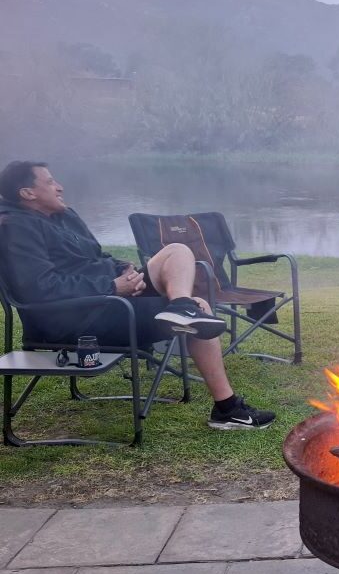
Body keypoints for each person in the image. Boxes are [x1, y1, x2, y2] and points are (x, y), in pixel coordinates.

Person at [0, 161, 276, 430]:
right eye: (50, 182)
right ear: (27, 193)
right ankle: (227, 410)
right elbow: (38, 287)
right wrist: (112, 286)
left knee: (177, 250)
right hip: (74, 318)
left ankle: (181, 307)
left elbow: (97, 256)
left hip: (106, 300)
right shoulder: (16, 227)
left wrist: (124, 269)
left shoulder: (64, 216)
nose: (59, 187)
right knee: (199, 313)